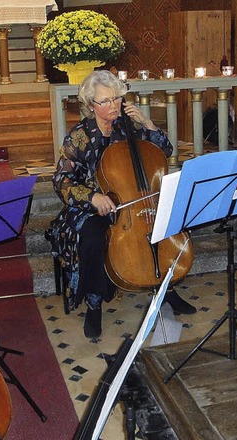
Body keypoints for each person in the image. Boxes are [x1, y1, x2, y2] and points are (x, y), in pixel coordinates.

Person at [50, 70, 196, 338]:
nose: (113, 105)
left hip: (133, 202)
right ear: (91, 105)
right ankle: (94, 305)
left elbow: (163, 151)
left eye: (116, 98)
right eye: (105, 101)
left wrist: (147, 122)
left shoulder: (128, 126)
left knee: (165, 223)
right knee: (93, 236)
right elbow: (61, 179)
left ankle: (167, 290)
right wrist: (92, 197)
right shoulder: (79, 136)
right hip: (92, 206)